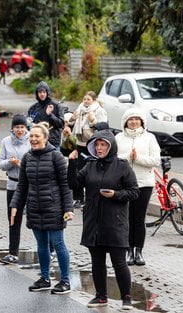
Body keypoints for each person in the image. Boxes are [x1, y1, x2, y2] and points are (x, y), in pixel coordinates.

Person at [68, 130, 139, 310]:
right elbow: (74, 185)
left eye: (103, 145)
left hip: (115, 221)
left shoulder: (122, 166)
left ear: (111, 146)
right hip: (93, 220)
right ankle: (101, 296)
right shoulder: (90, 165)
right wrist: (72, 164)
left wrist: (115, 194)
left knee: (119, 262)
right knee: (97, 262)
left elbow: (134, 191)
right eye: (97, 145)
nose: (99, 149)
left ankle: (126, 298)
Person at [10, 122, 74, 294]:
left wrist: (69, 209)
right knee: (41, 245)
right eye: (31, 136)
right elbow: (22, 186)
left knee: (58, 244)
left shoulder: (56, 157)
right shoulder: (27, 158)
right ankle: (45, 279)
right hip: (34, 208)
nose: (33, 139)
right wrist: (15, 205)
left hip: (54, 208)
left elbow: (65, 185)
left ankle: (65, 281)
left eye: (37, 136)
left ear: (45, 138)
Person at [115, 108, 161, 266]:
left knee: (139, 219)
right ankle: (128, 251)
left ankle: (139, 251)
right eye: (130, 119)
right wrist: (128, 157)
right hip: (124, 185)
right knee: (126, 218)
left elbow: (156, 160)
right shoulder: (118, 138)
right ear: (125, 122)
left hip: (144, 183)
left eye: (137, 119)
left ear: (142, 121)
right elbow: (113, 159)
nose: (134, 122)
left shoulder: (150, 138)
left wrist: (138, 158)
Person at [0, 114, 30, 264]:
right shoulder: (6, 142)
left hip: (29, 185)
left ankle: (50, 250)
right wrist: (10, 162)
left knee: (37, 219)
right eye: (17, 127)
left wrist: (20, 164)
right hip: (12, 184)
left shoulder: (32, 141)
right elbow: (0, 163)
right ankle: (13, 253)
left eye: (22, 127)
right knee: (13, 219)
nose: (20, 130)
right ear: (12, 128)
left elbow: (34, 165)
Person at [67, 91, 107, 208]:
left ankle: (92, 198)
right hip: (80, 144)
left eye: (88, 99)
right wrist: (72, 119)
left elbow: (104, 128)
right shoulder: (80, 109)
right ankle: (78, 198)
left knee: (92, 172)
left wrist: (92, 120)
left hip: (93, 145)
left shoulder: (99, 110)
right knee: (79, 172)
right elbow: (70, 124)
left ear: (94, 100)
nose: (85, 101)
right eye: (84, 99)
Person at [27, 81, 65, 148]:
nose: (42, 94)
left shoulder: (56, 105)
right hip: (37, 142)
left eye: (44, 92)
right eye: (40, 92)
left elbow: (61, 124)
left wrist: (50, 115)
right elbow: (28, 124)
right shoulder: (33, 108)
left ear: (47, 93)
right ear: (37, 94)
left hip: (53, 142)